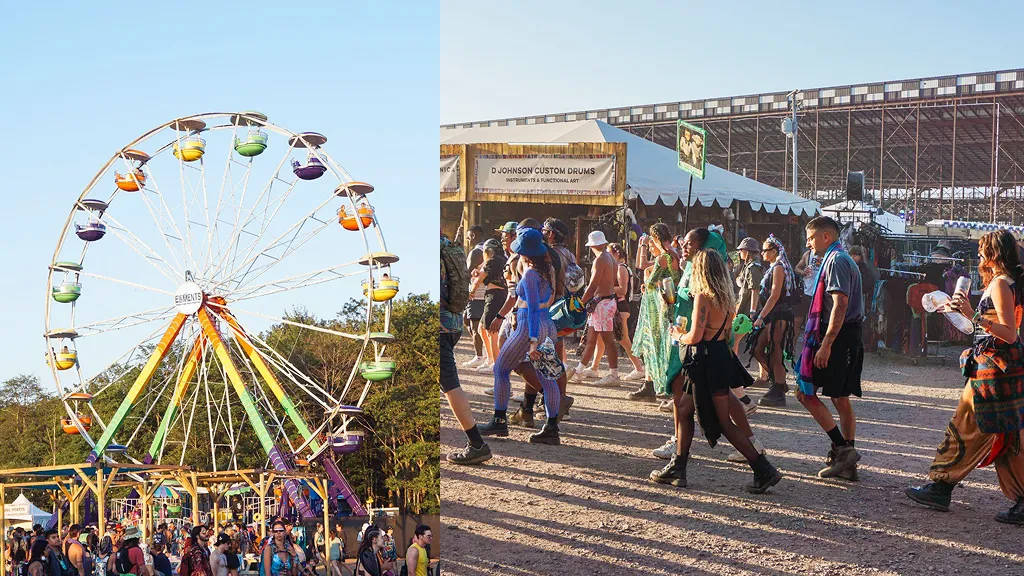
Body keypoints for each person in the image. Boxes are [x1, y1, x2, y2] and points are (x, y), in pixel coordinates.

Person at [905, 229, 1024, 524]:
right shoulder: (1011, 283)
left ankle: (941, 486)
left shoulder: (999, 284)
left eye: (983, 250)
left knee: (966, 424)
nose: (979, 255)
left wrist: (974, 315)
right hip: (1001, 366)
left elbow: (1008, 333)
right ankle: (1020, 500)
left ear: (993, 254)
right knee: (1007, 433)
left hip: (994, 368)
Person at [650, 249, 783, 493]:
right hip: (718, 357)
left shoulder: (703, 296)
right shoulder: (727, 298)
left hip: (704, 361)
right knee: (683, 409)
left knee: (722, 422)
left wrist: (678, 334)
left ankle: (763, 469)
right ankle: (678, 467)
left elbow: (696, 336)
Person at [794, 216, 865, 481]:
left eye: (811, 238)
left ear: (826, 237)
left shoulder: (836, 260)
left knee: (804, 392)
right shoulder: (838, 258)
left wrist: (826, 344)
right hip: (845, 333)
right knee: (839, 398)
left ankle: (842, 450)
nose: (808, 243)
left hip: (839, 335)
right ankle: (847, 460)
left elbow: (840, 305)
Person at [481, 227, 562, 444]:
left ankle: (499, 420)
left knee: (501, 368)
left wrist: (533, 340)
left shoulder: (531, 274)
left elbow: (532, 308)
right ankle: (552, 427)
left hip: (529, 324)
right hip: (548, 324)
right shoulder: (549, 270)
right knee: (547, 378)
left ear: (524, 253)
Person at [440, 233, 492, 465]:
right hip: (453, 321)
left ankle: (477, 444)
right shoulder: (447, 246)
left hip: (440, 325)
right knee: (448, 384)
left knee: (451, 385)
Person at [628, 223, 682, 402]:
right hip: (670, 304)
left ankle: (661, 387)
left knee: (656, 346)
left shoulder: (663, 258)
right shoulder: (674, 253)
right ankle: (651, 384)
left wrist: (647, 276)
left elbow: (650, 282)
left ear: (656, 238)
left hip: (659, 309)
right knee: (660, 346)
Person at [585, 243, 645, 382]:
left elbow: (623, 290)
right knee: (600, 338)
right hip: (612, 306)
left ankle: (639, 368)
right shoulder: (616, 267)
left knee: (623, 339)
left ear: (617, 254)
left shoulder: (621, 268)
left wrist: (604, 286)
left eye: (609, 252)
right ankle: (594, 367)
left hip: (620, 306)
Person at [750, 234, 797, 407]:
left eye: (765, 250)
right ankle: (779, 382)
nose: (762, 253)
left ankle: (778, 387)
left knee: (775, 352)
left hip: (779, 314)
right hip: (772, 315)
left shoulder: (778, 267)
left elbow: (775, 294)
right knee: (758, 349)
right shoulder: (773, 267)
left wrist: (760, 316)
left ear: (775, 251)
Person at [575, 231, 622, 387]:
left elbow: (593, 285)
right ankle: (579, 371)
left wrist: (580, 303)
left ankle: (614, 374)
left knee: (607, 340)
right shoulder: (610, 258)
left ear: (592, 245)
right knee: (591, 338)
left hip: (602, 303)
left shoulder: (600, 259)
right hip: (606, 302)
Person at [470, 240, 507, 376]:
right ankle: (490, 358)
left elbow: (480, 278)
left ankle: (495, 362)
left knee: (491, 330)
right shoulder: (503, 260)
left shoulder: (492, 261)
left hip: (494, 296)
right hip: (497, 295)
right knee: (481, 328)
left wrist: (471, 292)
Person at [462, 225, 489, 370]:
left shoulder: (476, 252)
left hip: (476, 293)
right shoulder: (487, 250)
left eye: (468, 236)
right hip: (482, 292)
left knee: (475, 324)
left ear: (473, 235)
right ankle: (482, 354)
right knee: (468, 320)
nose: (467, 239)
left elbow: (466, 273)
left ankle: (481, 355)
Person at [794, 245, 823, 332]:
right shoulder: (808, 254)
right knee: (797, 321)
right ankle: (793, 345)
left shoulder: (827, 255)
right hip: (806, 292)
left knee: (815, 324)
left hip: (820, 293)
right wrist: (803, 272)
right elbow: (797, 268)